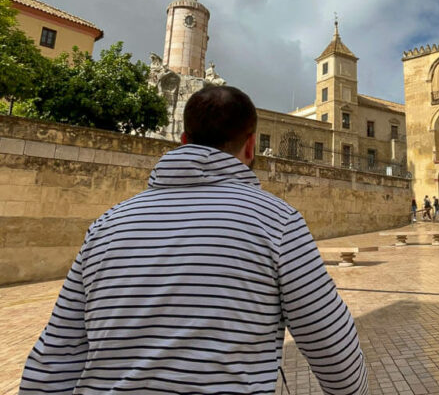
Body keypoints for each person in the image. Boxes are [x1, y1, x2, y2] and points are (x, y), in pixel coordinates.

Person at [20, 86, 369, 395]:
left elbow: (54, 359)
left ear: (184, 142)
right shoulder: (278, 222)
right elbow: (333, 350)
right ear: (251, 146)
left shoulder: (106, 225)